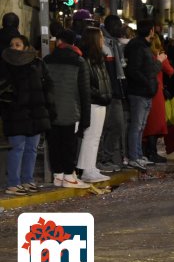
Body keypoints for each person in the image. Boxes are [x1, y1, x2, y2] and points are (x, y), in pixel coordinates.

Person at [0, 35, 54, 195]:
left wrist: (48, 106)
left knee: (32, 148)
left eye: (18, 44)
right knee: (17, 147)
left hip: (36, 112)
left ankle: (27, 179)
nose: (14, 47)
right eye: (12, 44)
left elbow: (47, 84)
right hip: (16, 113)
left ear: (25, 46)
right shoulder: (5, 63)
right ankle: (13, 183)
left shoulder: (37, 63)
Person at [44, 29, 91, 189]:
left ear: (59, 42)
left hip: (51, 110)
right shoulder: (79, 61)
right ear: (73, 43)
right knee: (69, 144)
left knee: (54, 144)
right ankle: (69, 176)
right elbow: (85, 92)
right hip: (72, 110)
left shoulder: (47, 59)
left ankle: (58, 176)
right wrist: (86, 119)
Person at [124, 20, 162, 171]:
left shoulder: (141, 46)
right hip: (139, 91)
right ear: (151, 31)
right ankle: (134, 157)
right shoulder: (138, 47)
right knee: (137, 125)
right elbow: (137, 70)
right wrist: (158, 63)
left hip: (145, 91)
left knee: (141, 126)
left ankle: (138, 155)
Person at [76, 27, 112, 182]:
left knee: (95, 136)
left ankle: (91, 167)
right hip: (93, 102)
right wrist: (99, 94)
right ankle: (86, 169)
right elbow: (85, 83)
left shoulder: (98, 58)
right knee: (91, 136)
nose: (103, 40)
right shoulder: (86, 59)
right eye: (101, 37)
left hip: (100, 101)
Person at [98, 15, 127, 172]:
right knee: (102, 128)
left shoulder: (115, 44)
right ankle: (100, 160)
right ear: (109, 26)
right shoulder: (103, 44)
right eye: (117, 26)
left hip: (115, 92)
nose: (120, 29)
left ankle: (106, 158)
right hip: (105, 93)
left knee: (117, 125)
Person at [142, 35, 174, 164]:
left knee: (146, 122)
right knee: (156, 123)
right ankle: (153, 153)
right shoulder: (159, 56)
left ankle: (145, 152)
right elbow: (170, 71)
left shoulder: (144, 55)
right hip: (157, 92)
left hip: (143, 89)